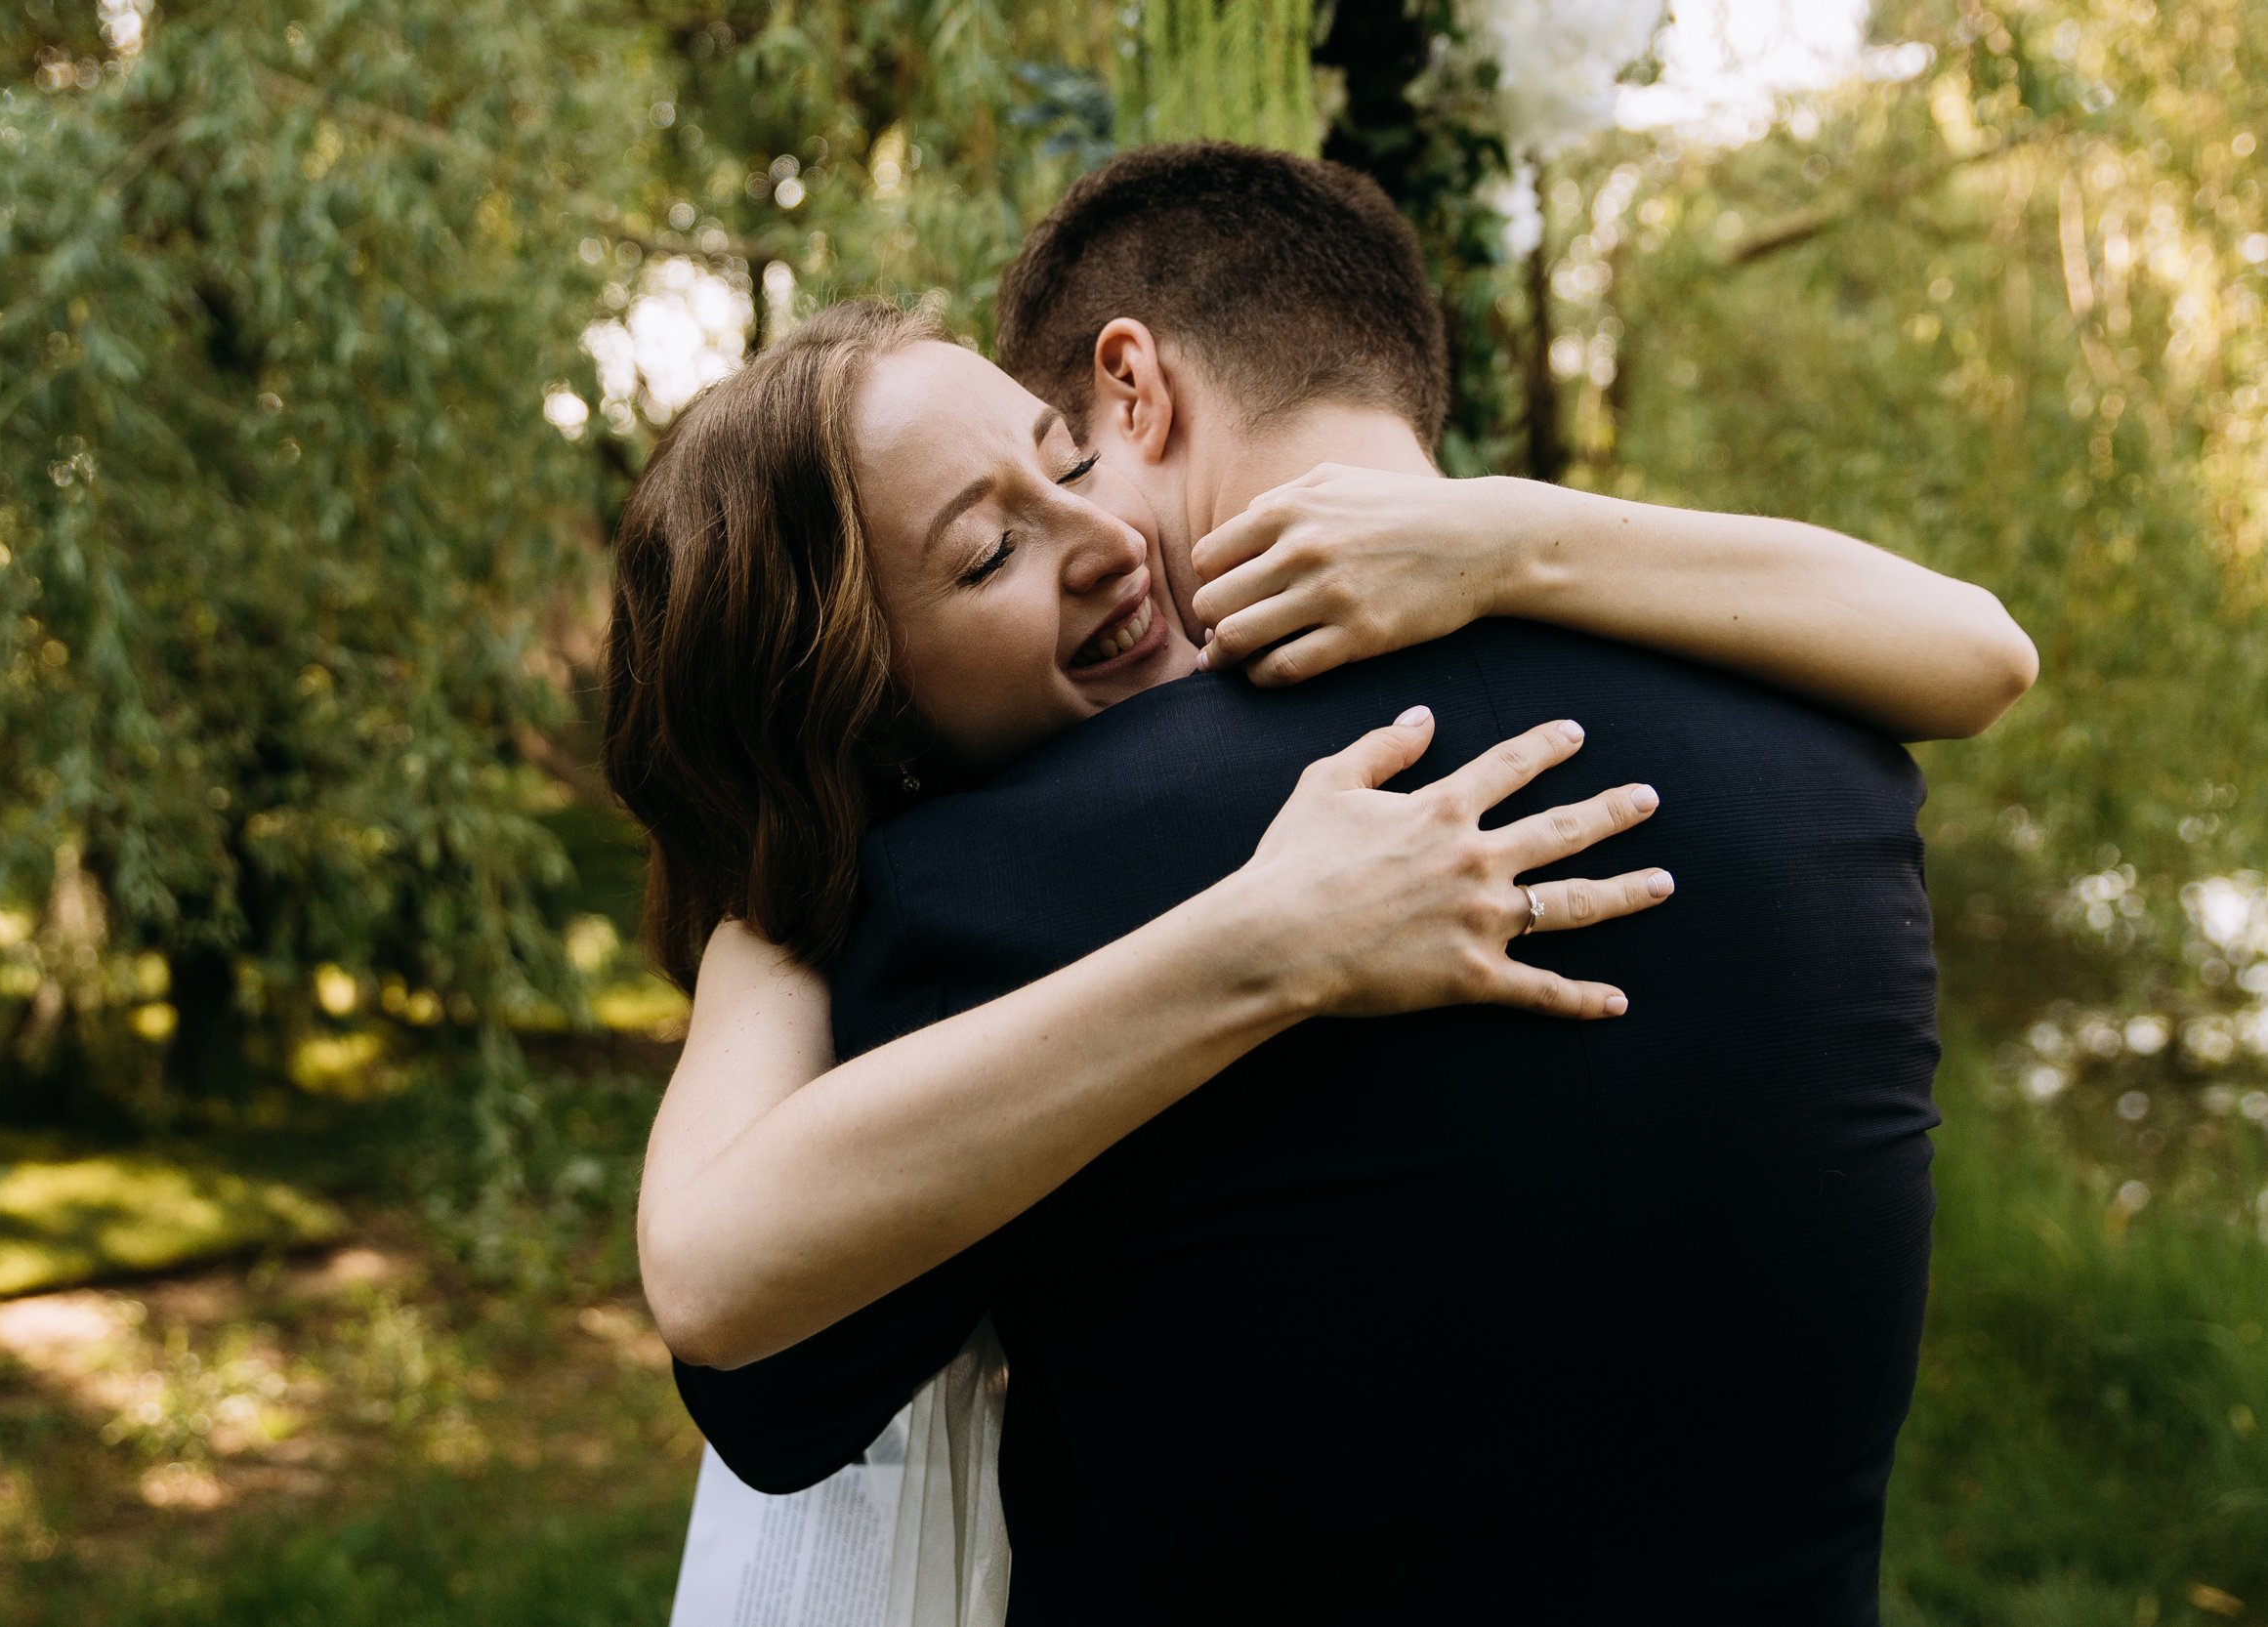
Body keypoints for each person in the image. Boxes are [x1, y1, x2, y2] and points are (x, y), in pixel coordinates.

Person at [609, 144, 2034, 1621]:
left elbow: (766, 1386)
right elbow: (1986, 654)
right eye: (985, 549)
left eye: (1069, 454)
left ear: (1129, 391)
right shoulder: (1842, 752)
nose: (1101, 537)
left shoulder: (985, 887)